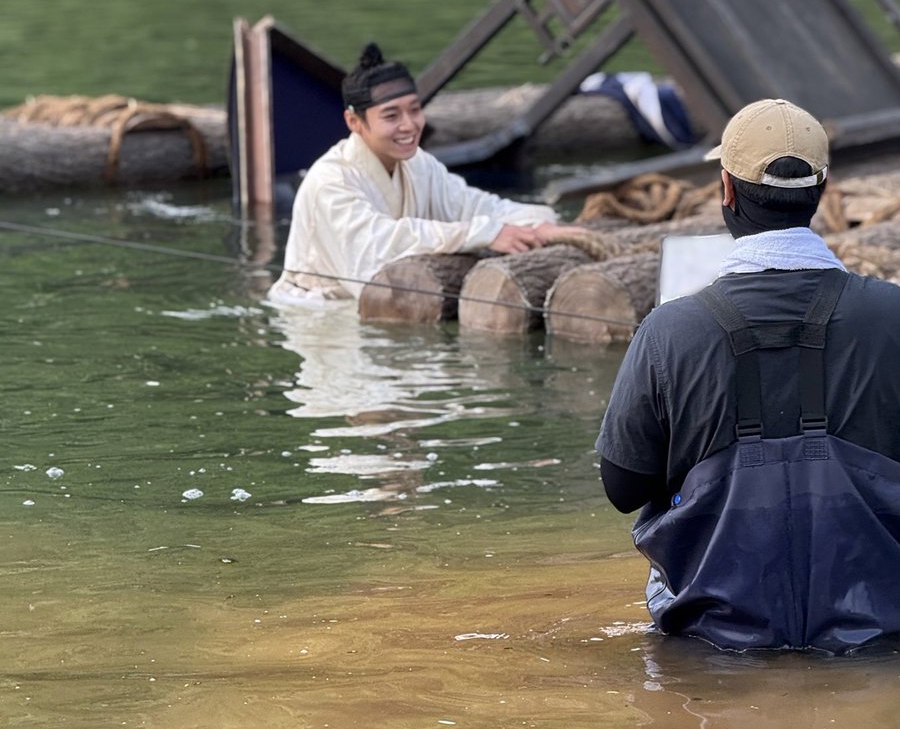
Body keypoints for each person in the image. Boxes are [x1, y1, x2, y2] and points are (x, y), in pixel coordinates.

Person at [596, 97, 900, 653]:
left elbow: (623, 489)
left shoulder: (668, 330)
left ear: (727, 191)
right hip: (881, 635)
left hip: (714, 642)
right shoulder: (893, 315)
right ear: (823, 189)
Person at [268, 43, 572, 304]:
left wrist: (535, 222)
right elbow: (377, 249)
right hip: (320, 319)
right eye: (391, 115)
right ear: (354, 122)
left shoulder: (418, 164)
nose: (409, 125)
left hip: (390, 311)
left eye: (414, 110)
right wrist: (483, 233)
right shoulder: (330, 181)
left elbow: (474, 206)